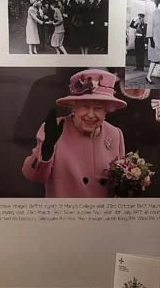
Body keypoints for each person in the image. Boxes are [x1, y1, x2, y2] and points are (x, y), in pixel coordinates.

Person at [22, 69, 126, 198]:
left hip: (101, 215)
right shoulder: (54, 129)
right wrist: (47, 148)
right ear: (73, 106)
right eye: (85, 106)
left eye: (98, 108)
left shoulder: (115, 134)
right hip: (67, 214)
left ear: (107, 110)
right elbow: (33, 176)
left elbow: (120, 185)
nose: (91, 115)